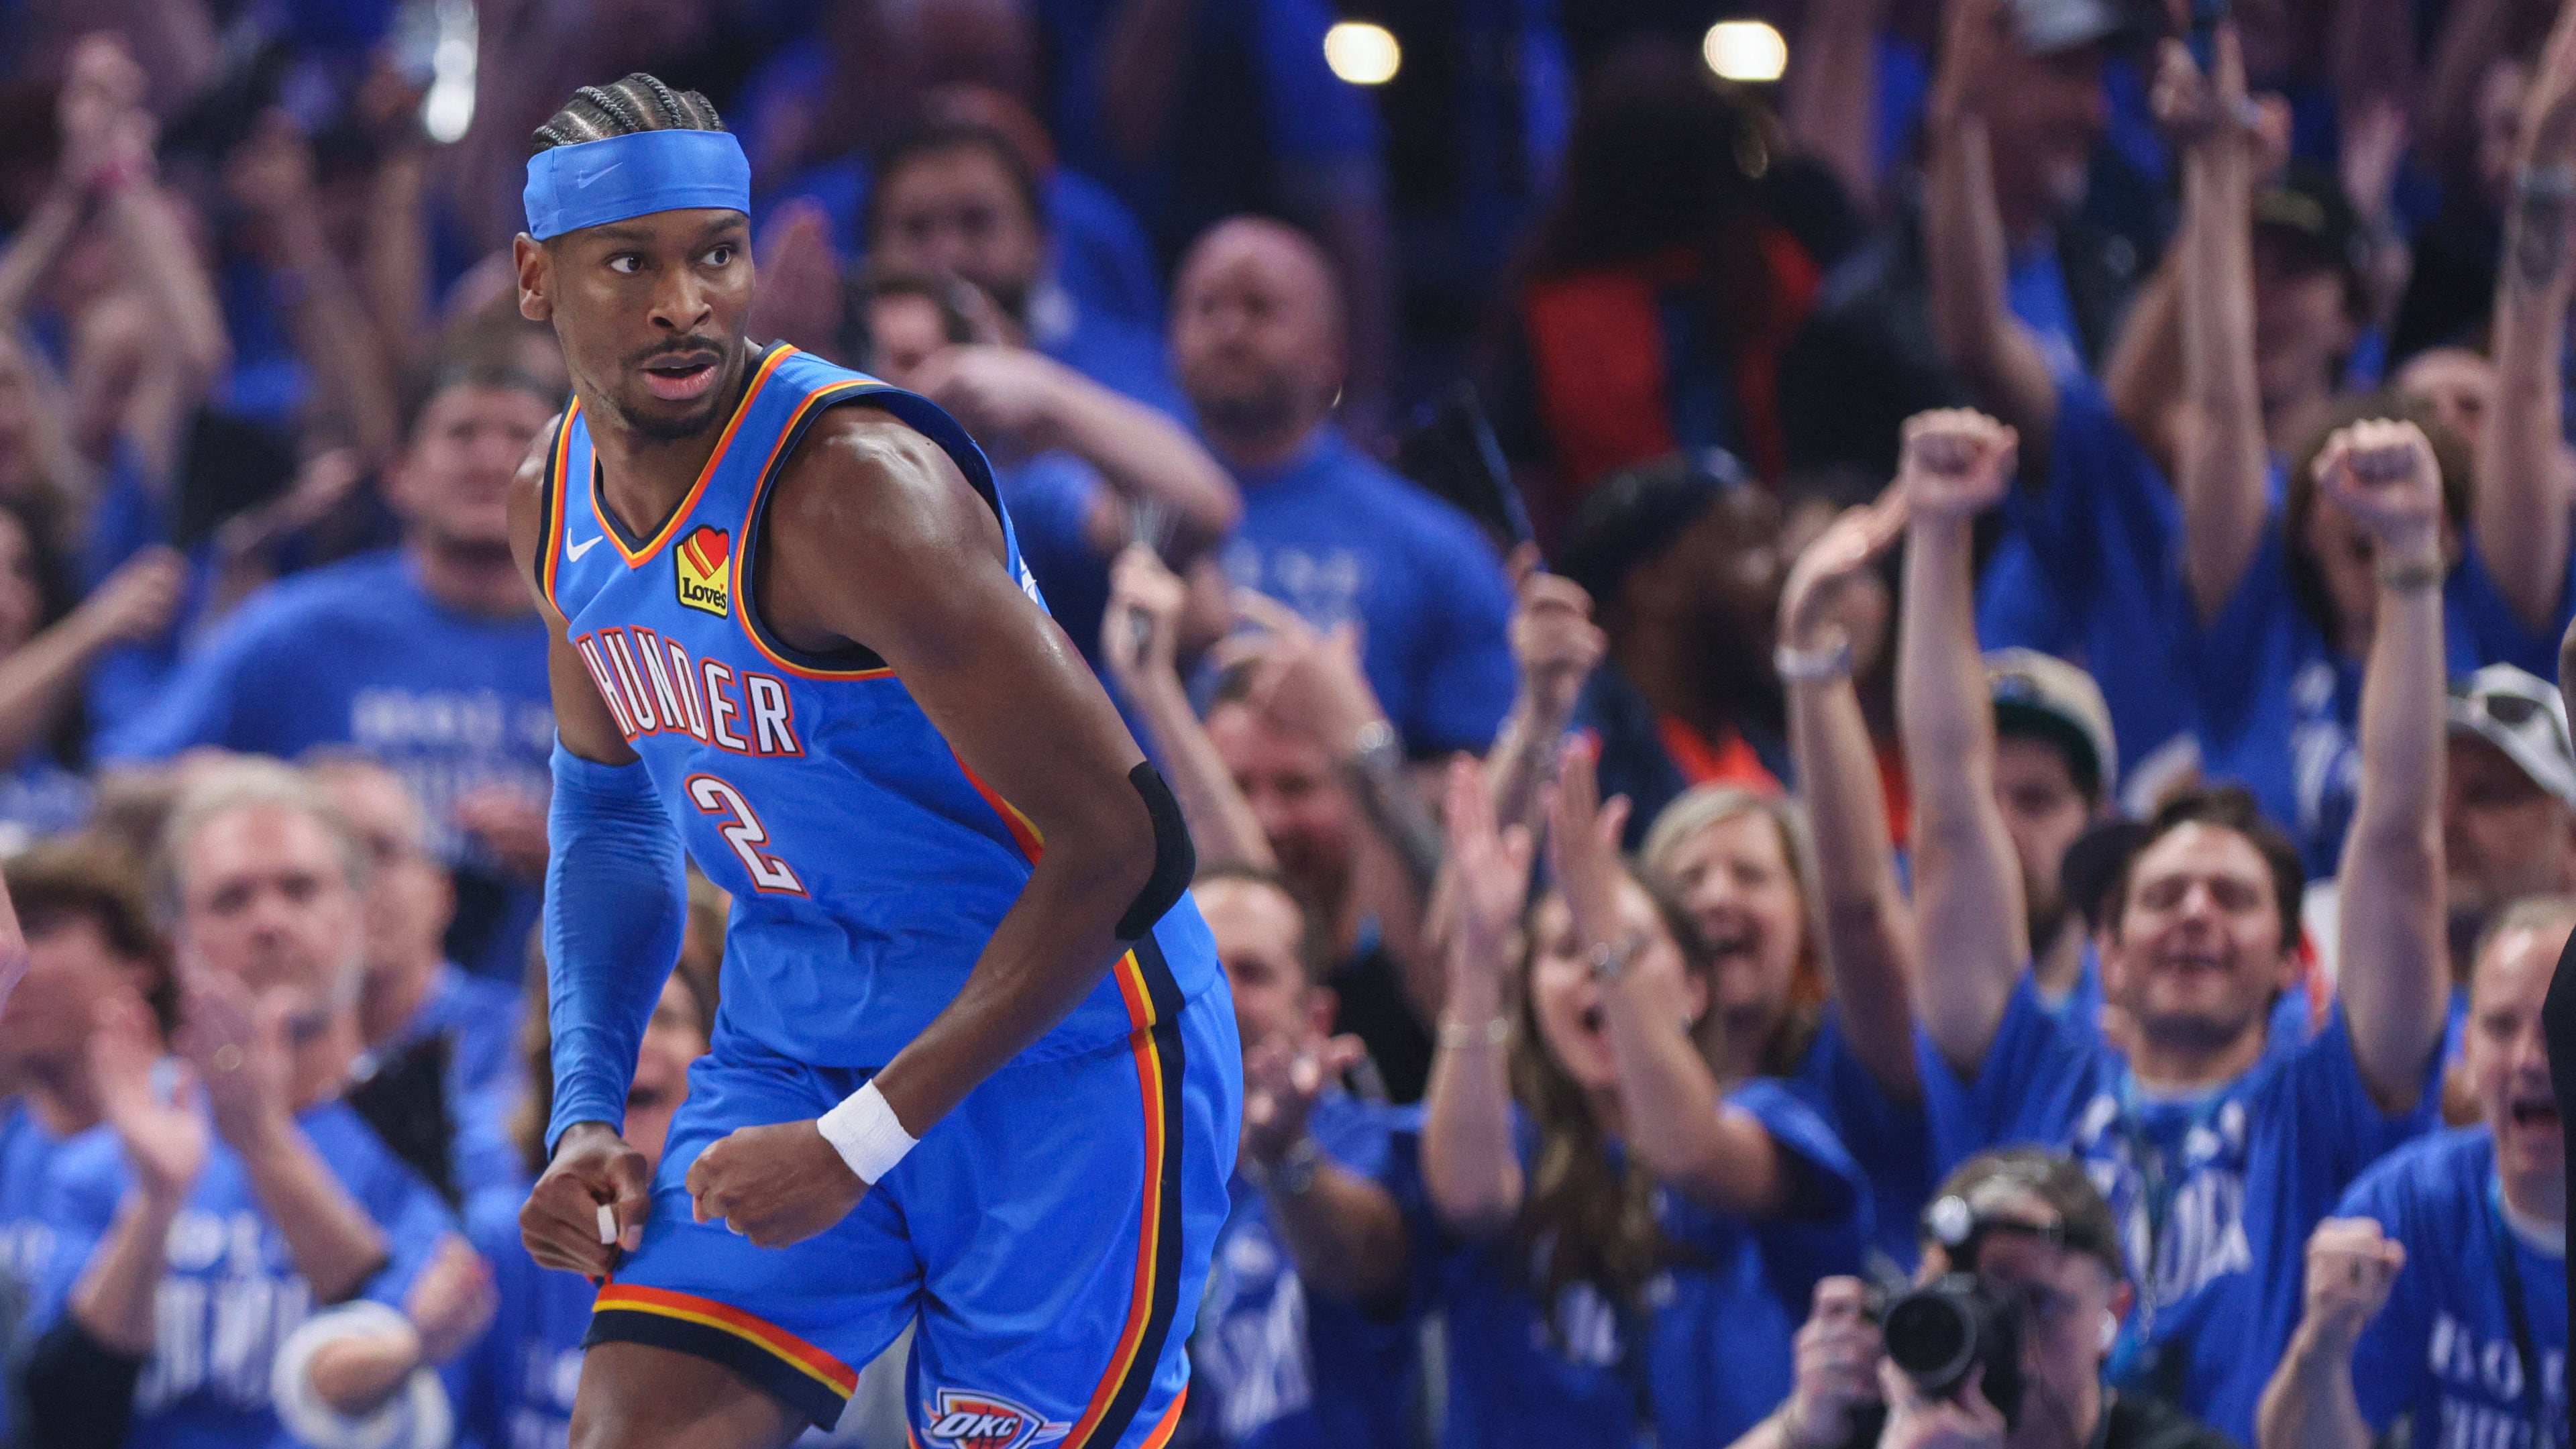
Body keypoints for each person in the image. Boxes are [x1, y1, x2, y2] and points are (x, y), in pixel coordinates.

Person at [506, 76, 1234, 1447]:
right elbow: (608, 816)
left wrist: (862, 1145)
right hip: (796, 1025)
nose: (685, 305)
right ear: (536, 282)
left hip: (1063, 1046)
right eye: (630, 264)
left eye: (715, 255)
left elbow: (1128, 846)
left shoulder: (855, 490)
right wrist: (587, 1112)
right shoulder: (551, 498)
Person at [1898, 408, 2451, 1443]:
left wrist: (2412, 562)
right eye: (2161, 897)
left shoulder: (2329, 1108)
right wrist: (1936, 537)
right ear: (2104, 952)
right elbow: (1947, 818)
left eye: (2235, 899)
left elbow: (2400, 841)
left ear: (2295, 963)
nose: (2196, 913)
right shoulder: (2027, 1077)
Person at [1420, 749, 1870, 1448]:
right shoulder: (1509, 1144)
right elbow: (1466, 1198)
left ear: (1696, 992)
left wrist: (1602, 926)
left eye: (1630, 946)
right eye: (1567, 952)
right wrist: (1479, 958)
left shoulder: (1775, 1121)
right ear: (1535, 1000)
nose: (1597, 972)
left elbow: (1687, 1149)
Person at [19, 759, 466, 1448]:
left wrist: (262, 1144)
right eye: (230, 899)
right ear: (175, 939)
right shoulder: (115, 1154)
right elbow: (59, 1423)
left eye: (300, 889)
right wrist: (156, 1205)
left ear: (357, 910)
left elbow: (431, 1382)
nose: (270, 923)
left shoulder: (439, 1135)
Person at [101, 358, 561, 982]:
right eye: (461, 435)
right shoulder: (300, 627)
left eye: (519, 438)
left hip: (552, 1009)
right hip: (318, 1002)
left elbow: (712, 850)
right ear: (400, 476)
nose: (488, 460)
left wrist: (572, 852)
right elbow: (119, 789)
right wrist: (293, 805)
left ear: (570, 478)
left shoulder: (620, 646)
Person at [276, 963, 715, 1449]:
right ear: (561, 1073)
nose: (635, 1043)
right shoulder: (511, 1234)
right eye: (605, 1026)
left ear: (714, 1059)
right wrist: (414, 1347)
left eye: (667, 1019)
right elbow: (322, 1379)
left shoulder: (766, 1239)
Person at [1172, 217, 1516, 760]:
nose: (1230, 331)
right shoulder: (1110, 511)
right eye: (1206, 308)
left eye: (1260, 308)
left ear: (1333, 353)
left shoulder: (1432, 546)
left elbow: (1482, 765)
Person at [2257, 896, 2571, 1449]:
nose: (2529, 1059)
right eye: (2501, 1027)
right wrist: (2323, 1341)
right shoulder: (2412, 1205)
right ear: (2468, 1049)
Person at [855, 270, 1240, 684]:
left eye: (909, 362)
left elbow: (1202, 512)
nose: (880, 384)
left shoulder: (1024, 502)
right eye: (858, 362)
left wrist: (1042, 394)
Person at [1732, 1148, 2237, 1449]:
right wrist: (1800, 1428)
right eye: (1955, 1296)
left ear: (2114, 1313)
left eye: (2034, 1302)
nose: (1989, 1331)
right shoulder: (1885, 1420)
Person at [1185, 867, 1421, 1449]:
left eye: (1252, 972)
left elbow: (1360, 1260)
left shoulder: (1370, 1142)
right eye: (1197, 968)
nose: (1221, 996)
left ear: (1316, 1016)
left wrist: (1284, 1156)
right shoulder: (1129, 1167)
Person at [308, 754, 527, 1220]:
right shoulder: (262, 1060)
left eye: (382, 852)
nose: (359, 884)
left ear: (442, 890)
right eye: (331, 859)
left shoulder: (526, 1040)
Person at [865, 118, 1185, 415]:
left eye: (976, 221)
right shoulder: (833, 375)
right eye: (916, 228)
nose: (950, 254)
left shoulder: (1133, 371)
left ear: (1040, 241)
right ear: (871, 251)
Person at [1556, 451, 1790, 841]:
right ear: (1655, 581)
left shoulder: (1774, 756)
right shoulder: (1581, 759)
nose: (1789, 565)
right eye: (1752, 544)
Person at [0, 843, 122, 1320]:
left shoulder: (220, 1133)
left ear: (138, 962)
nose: (18, 962)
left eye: (42, 930)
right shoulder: (10, 1138)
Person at [2443, 666, 2576, 973]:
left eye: (2485, 795)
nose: (2443, 823)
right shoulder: (2329, 983)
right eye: (2428, 796)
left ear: (2572, 836)